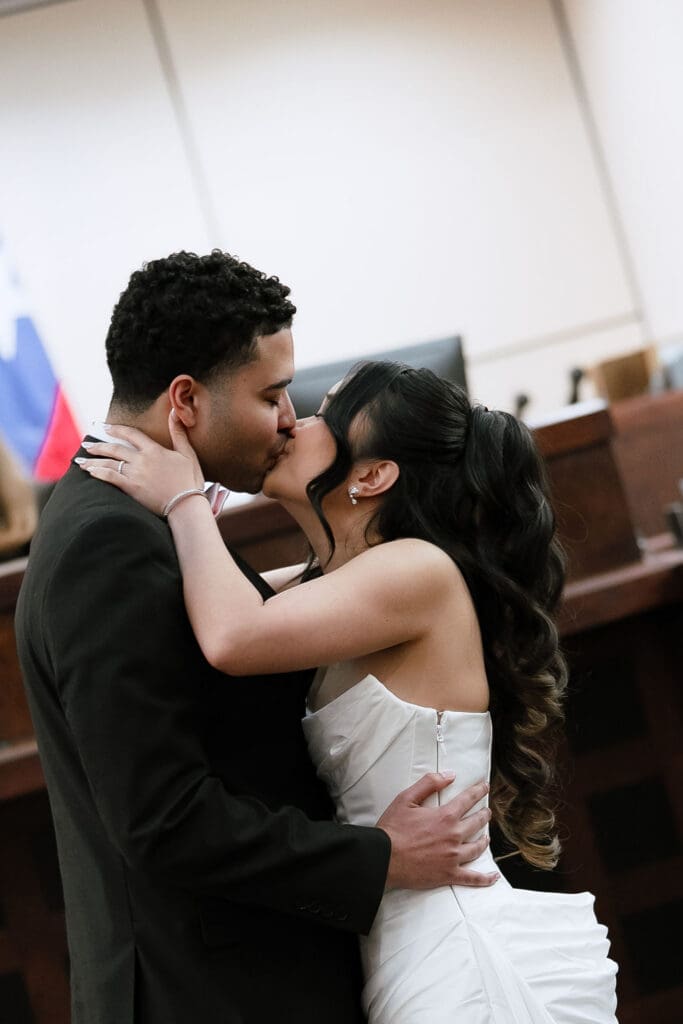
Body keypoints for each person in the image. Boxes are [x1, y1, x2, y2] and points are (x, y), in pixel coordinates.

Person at [15, 251, 497, 1024]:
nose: (288, 418)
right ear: (185, 401)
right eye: (271, 394)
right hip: (214, 993)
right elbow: (161, 816)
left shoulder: (151, 519)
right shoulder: (109, 540)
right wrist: (374, 858)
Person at [79, 358, 619, 1022]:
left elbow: (231, 636)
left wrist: (184, 497)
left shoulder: (415, 569)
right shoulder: (332, 582)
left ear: (370, 475)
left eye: (321, 417)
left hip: (450, 952)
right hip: (391, 948)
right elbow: (202, 611)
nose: (291, 422)